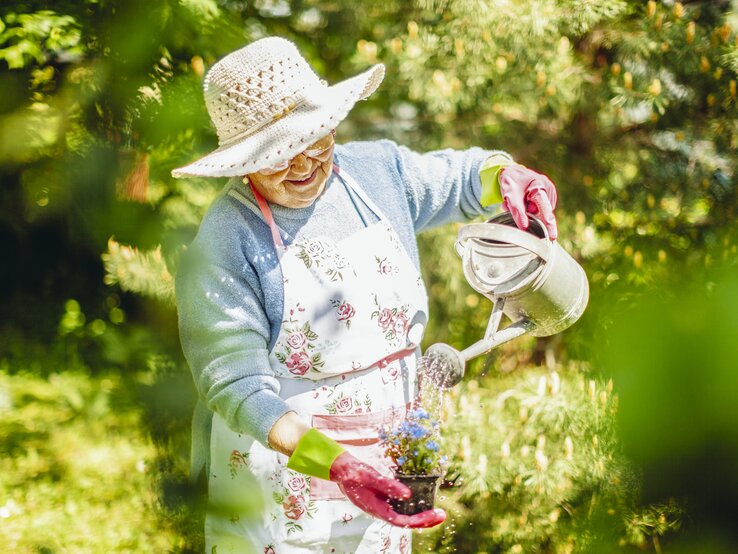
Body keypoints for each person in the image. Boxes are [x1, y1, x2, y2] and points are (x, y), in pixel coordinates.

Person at [173, 36, 558, 554]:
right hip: (286, 477)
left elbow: (466, 179)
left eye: (315, 139)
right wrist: (337, 466)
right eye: (277, 157)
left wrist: (510, 176)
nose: (304, 164)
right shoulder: (227, 237)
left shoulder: (375, 172)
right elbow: (237, 387)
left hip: (389, 463)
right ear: (241, 162)